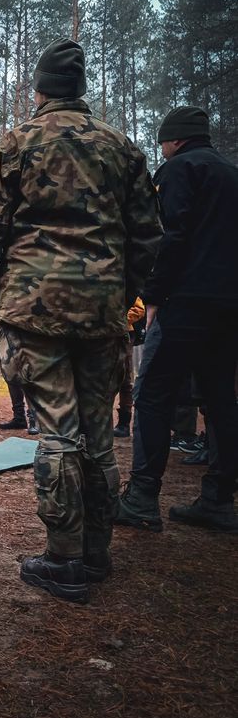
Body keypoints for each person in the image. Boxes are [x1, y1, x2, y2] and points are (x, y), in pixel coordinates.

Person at [0, 37, 161, 603]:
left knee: (57, 433)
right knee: (97, 436)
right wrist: (118, 292)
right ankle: (97, 553)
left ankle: (64, 559)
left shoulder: (16, 145)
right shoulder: (122, 149)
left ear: (39, 89)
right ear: (81, 88)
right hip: (101, 316)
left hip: (34, 313)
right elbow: (149, 236)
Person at [116, 106, 238, 534]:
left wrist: (152, 295)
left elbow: (168, 236)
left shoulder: (178, 171)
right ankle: (219, 500)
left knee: (152, 394)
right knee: (221, 400)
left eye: (163, 141)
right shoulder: (231, 174)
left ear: (176, 139)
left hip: (184, 304)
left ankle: (141, 498)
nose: (162, 148)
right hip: (228, 308)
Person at [113, 297, 145, 438]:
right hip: (102, 334)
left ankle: (124, 424)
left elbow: (139, 309)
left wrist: (116, 321)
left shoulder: (127, 286)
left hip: (124, 334)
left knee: (125, 378)